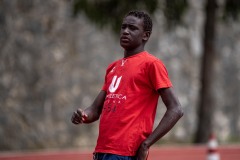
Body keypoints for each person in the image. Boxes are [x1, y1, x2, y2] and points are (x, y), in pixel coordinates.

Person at [71, 10, 184, 160]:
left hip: (126, 153)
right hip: (102, 150)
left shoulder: (151, 64)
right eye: (123, 27)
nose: (125, 31)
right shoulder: (113, 68)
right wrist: (83, 116)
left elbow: (176, 109)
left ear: (146, 35)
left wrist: (146, 144)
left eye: (132, 28)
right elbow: (95, 109)